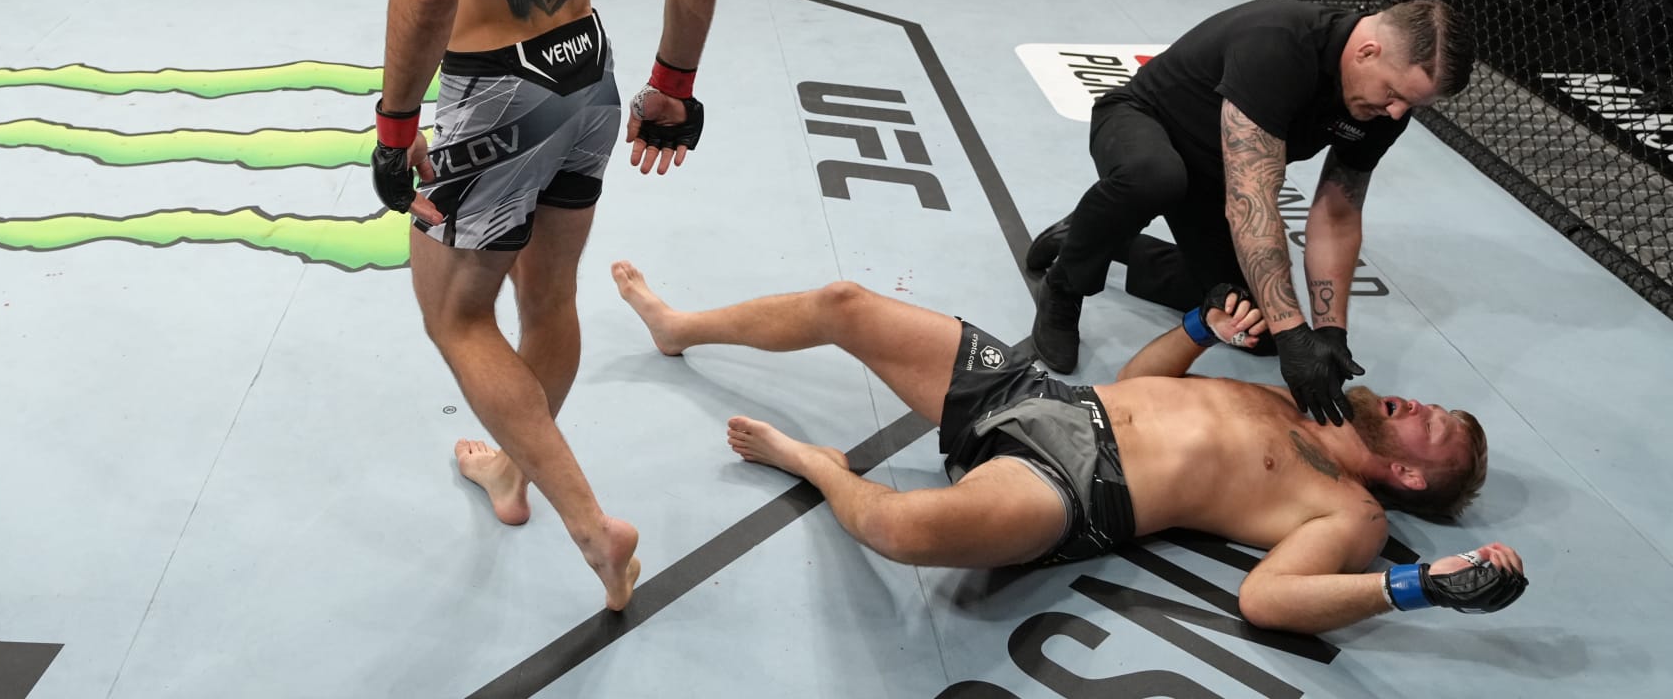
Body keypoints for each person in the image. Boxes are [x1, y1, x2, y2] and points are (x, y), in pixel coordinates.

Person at [368, 0, 722, 612]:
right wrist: (675, 91)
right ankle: (513, 472)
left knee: (456, 315)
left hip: (495, 94)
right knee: (549, 297)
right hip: (591, 76)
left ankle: (586, 520)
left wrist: (399, 124)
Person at [610, 263, 1525, 633]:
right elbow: (1151, 376)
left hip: (1080, 488)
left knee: (906, 531)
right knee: (846, 304)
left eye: (1429, 425)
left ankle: (815, 465)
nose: (1416, 403)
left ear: (1408, 474)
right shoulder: (1306, 399)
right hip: (1046, 396)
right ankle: (679, 326)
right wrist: (1199, 328)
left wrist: (1413, 587)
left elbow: (1267, 598)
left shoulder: (1354, 516)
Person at [1026, 0, 1475, 426]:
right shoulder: (1280, 43)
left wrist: (1328, 332)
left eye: (1411, 105)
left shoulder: (1386, 108)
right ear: (1367, 52)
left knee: (1251, 325)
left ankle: (1093, 235)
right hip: (1144, 126)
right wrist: (1293, 328)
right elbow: (1253, 198)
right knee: (1156, 177)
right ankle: (1067, 283)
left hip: (1215, 178)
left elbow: (1337, 214)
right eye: (1394, 94)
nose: (1396, 112)